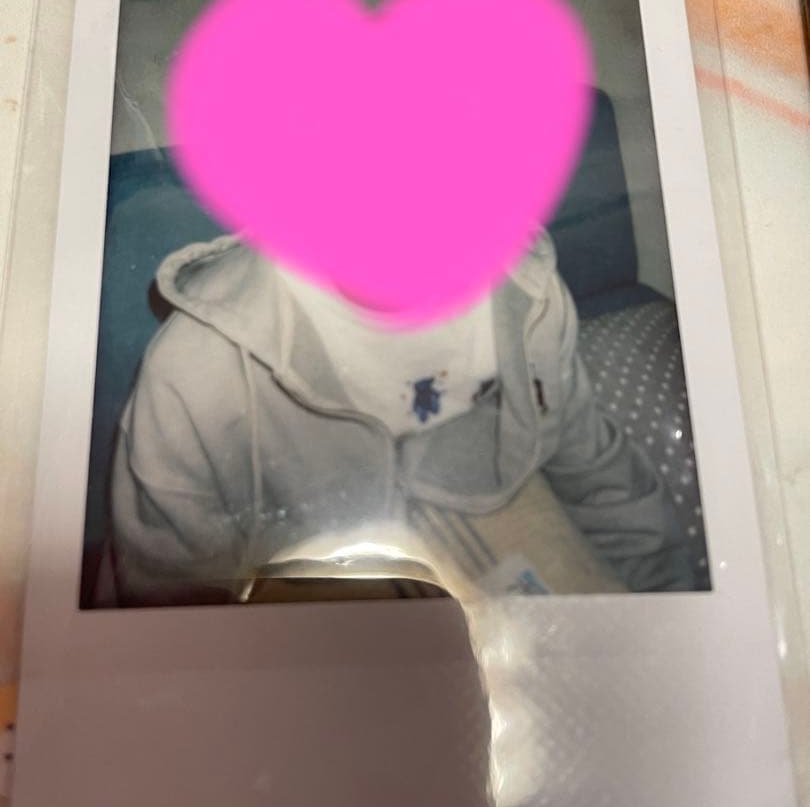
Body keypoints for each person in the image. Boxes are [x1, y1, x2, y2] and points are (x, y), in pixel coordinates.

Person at [110, 228, 693, 606]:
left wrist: (674, 624)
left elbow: (603, 479)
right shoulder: (197, 372)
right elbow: (168, 609)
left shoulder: (527, 296)